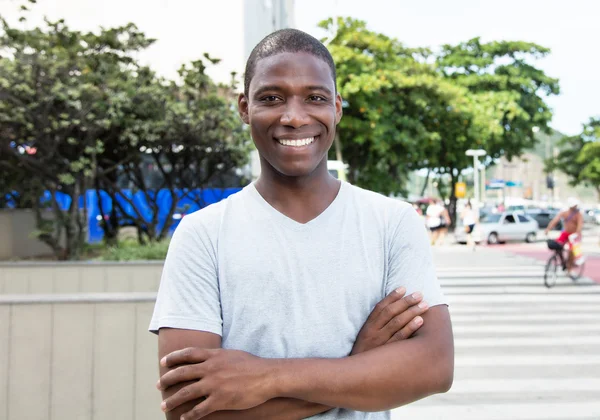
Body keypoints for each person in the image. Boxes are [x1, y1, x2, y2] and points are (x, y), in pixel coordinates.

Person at [149, 29, 453, 420]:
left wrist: (267, 378)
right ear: (244, 108)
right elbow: (188, 408)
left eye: (315, 98)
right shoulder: (203, 234)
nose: (294, 117)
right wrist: (358, 364)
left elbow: (434, 368)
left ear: (337, 108)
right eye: (272, 98)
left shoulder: (391, 223)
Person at [545, 197, 584, 273]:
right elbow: (555, 220)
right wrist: (548, 229)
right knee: (557, 245)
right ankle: (563, 261)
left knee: (571, 250)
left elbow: (580, 225)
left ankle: (569, 267)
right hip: (566, 233)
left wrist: (577, 233)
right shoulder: (565, 213)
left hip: (574, 235)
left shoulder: (578, 214)